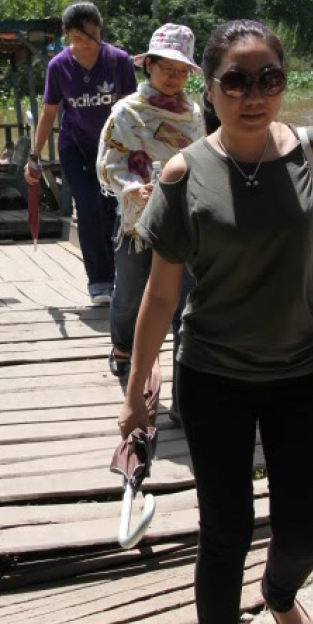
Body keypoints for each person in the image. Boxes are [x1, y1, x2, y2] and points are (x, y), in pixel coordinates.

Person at [119, 19, 313, 624]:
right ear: (210, 87)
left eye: (269, 78)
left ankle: (281, 592)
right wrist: (137, 391)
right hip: (216, 377)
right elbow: (161, 295)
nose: (253, 94)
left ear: (284, 82)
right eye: (236, 80)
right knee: (224, 528)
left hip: (304, 373)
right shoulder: (182, 175)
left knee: (309, 527)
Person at [96, 24, 203, 424]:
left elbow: (206, 160)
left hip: (186, 224)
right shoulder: (126, 112)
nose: (174, 77)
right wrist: (131, 187)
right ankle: (122, 345)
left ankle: (183, 401)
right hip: (138, 223)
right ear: (150, 65)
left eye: (181, 70)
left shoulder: (196, 116)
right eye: (167, 68)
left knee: (185, 310)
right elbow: (109, 164)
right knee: (128, 296)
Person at [26, 1, 136, 304]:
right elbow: (49, 113)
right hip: (75, 146)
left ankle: (116, 276)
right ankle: (99, 281)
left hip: (114, 150)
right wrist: (34, 155)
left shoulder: (119, 61)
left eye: (91, 37)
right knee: (87, 207)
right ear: (66, 36)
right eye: (78, 39)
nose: (85, 45)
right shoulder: (58, 66)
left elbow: (131, 111)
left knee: (111, 211)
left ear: (100, 28)